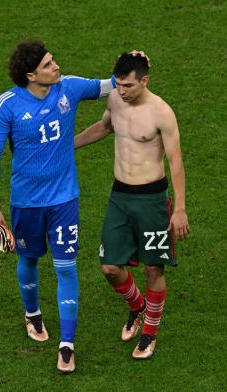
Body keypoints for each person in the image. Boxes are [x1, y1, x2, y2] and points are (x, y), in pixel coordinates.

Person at [0, 41, 144, 372]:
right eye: (48, 64)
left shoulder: (68, 88)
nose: (56, 66)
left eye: (53, 60)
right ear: (31, 75)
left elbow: (109, 84)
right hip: (26, 203)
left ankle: (67, 345)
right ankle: (32, 314)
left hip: (64, 200)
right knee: (28, 259)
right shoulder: (8, 106)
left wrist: (132, 62)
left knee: (66, 268)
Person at [75, 53, 190, 359]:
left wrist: (179, 209)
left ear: (144, 81)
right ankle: (137, 306)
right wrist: (68, 145)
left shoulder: (162, 113)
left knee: (154, 267)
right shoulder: (114, 100)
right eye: (119, 84)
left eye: (127, 85)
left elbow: (175, 161)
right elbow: (103, 128)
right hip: (120, 197)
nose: (121, 90)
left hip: (152, 200)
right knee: (110, 267)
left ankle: (150, 332)